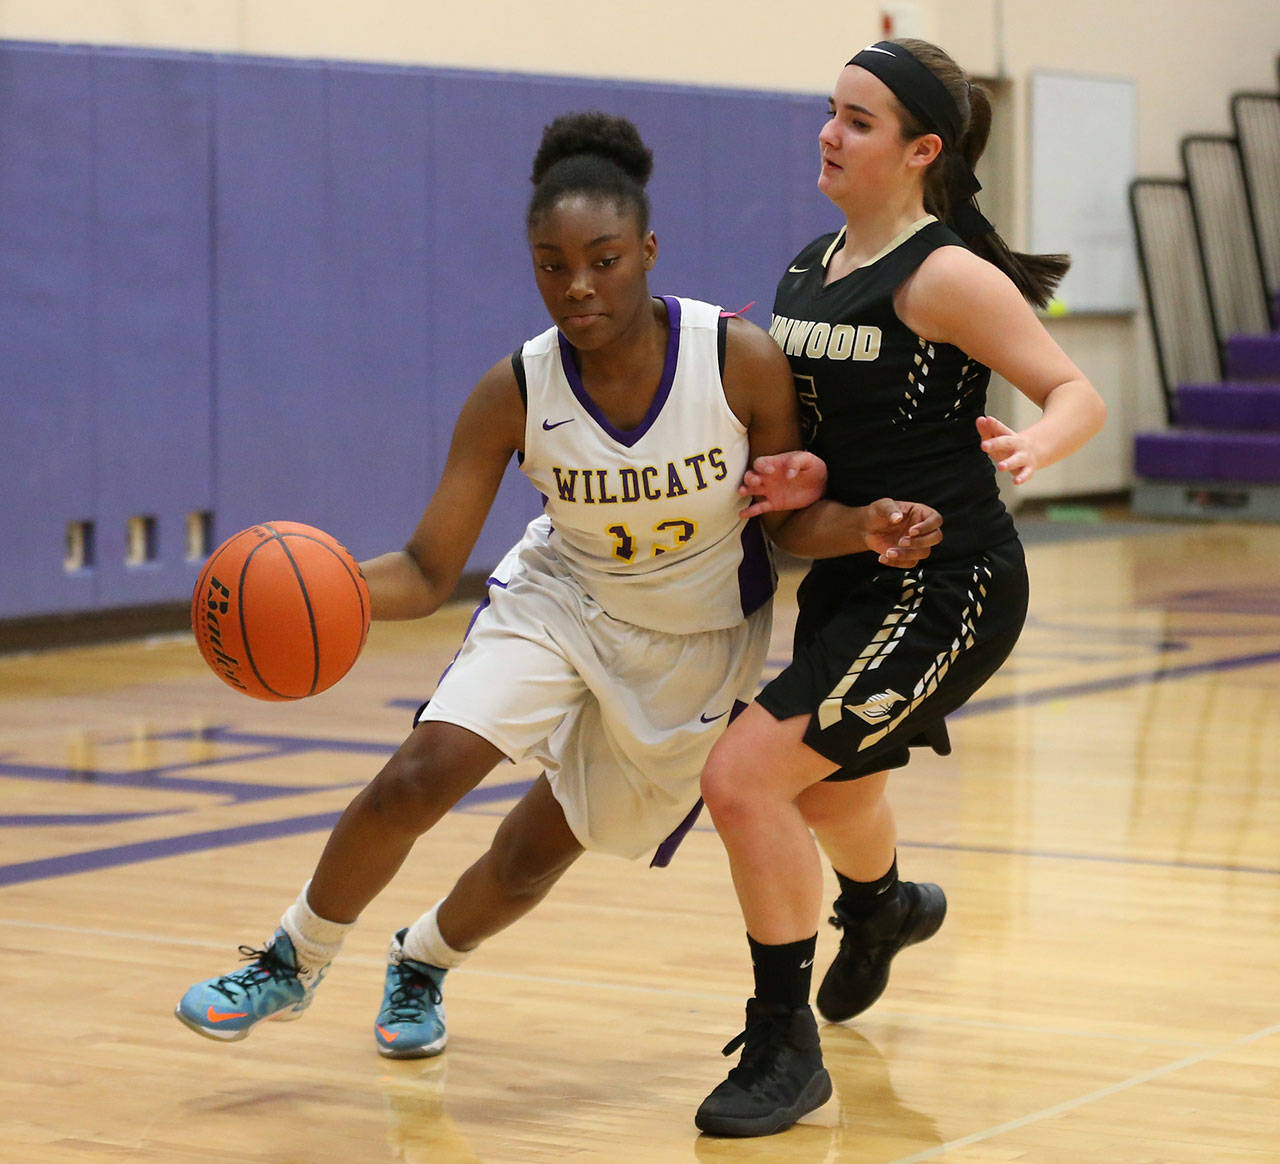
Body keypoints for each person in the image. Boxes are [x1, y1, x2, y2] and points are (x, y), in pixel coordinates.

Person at [174, 111, 943, 1060]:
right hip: (561, 601)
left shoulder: (736, 361)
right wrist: (322, 595)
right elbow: (424, 569)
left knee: (532, 860)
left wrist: (865, 526)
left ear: (648, 251)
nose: (577, 286)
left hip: (695, 641)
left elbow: (786, 521)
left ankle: (423, 959)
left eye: (604, 259)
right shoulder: (517, 390)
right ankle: (292, 960)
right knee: (420, 774)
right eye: (551, 263)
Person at [693, 39, 1108, 1138]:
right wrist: (791, 470)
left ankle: (785, 1045)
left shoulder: (942, 276)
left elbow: (1072, 391)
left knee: (743, 780)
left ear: (920, 150)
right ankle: (881, 906)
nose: (829, 133)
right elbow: (825, 439)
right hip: (848, 569)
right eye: (830, 111)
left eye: (858, 120)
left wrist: (1033, 451)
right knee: (826, 791)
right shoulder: (801, 269)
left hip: (947, 583)